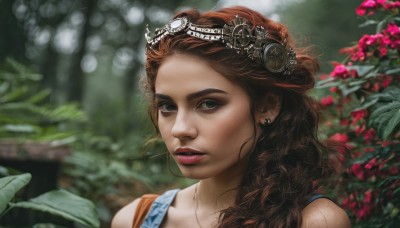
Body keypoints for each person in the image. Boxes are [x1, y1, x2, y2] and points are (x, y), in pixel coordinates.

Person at [112, 6, 351, 228]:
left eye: (208, 104)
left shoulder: (314, 221)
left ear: (267, 106)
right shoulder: (133, 219)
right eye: (167, 106)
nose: (179, 129)